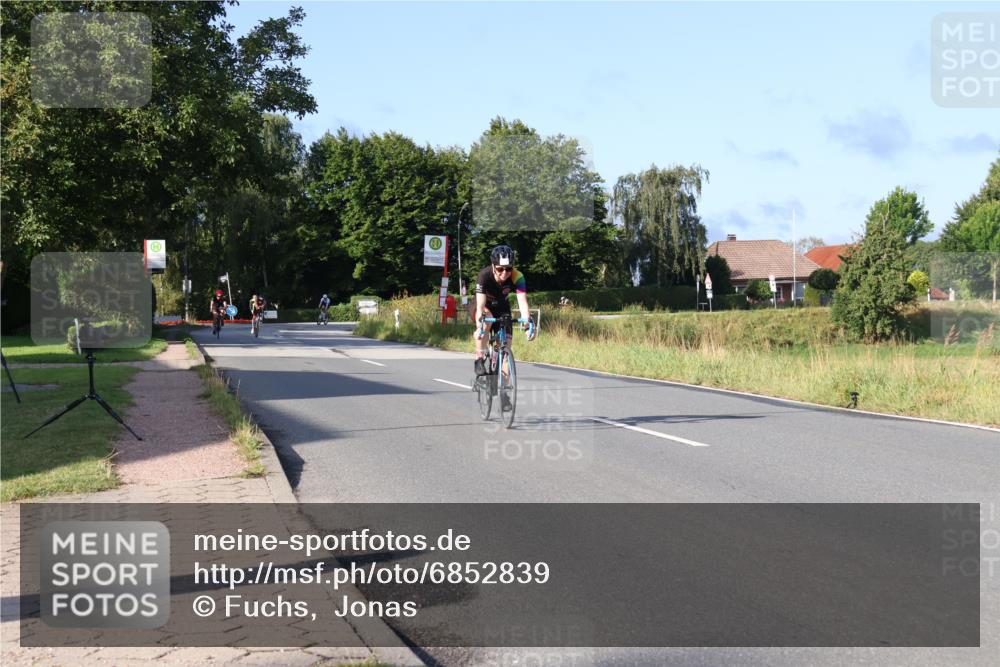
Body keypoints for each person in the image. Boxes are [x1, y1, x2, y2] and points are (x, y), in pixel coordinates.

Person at [473, 244, 536, 376]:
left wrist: (527, 325)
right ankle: (479, 359)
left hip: (502, 307)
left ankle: (505, 390)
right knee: (487, 322)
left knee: (506, 347)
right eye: (500, 269)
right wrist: (480, 327)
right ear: (493, 265)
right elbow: (480, 306)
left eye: (508, 269)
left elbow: (523, 302)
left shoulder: (517, 276)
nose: (504, 273)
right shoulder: (484, 275)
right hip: (485, 305)